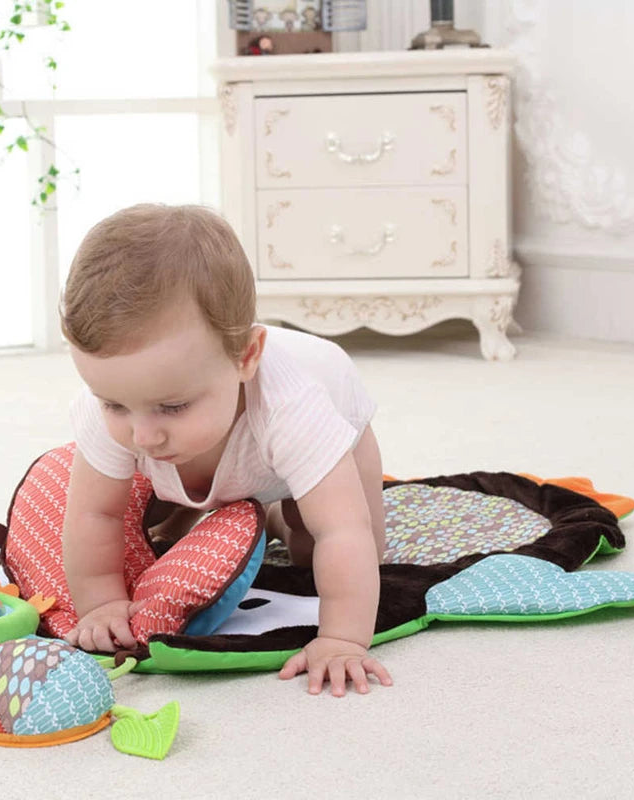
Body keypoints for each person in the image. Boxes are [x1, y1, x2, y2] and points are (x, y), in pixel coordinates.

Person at [59, 203, 392, 696]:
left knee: (327, 547)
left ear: (247, 357)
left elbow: (345, 531)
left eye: (171, 406)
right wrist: (102, 604)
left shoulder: (295, 407)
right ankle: (243, 513)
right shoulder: (118, 413)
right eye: (115, 404)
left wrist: (342, 639)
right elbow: (94, 517)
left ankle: (281, 515)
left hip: (334, 427)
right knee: (148, 521)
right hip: (229, 454)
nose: (143, 435)